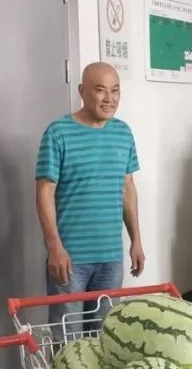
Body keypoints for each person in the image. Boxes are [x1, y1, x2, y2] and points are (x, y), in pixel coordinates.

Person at [36, 62, 144, 334]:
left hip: (111, 258)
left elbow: (127, 188)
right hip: (70, 258)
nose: (109, 98)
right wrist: (54, 247)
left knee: (105, 337)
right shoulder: (58, 132)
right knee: (67, 340)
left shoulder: (123, 133)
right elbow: (44, 191)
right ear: (82, 91)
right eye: (100, 90)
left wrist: (136, 240)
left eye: (115, 90)